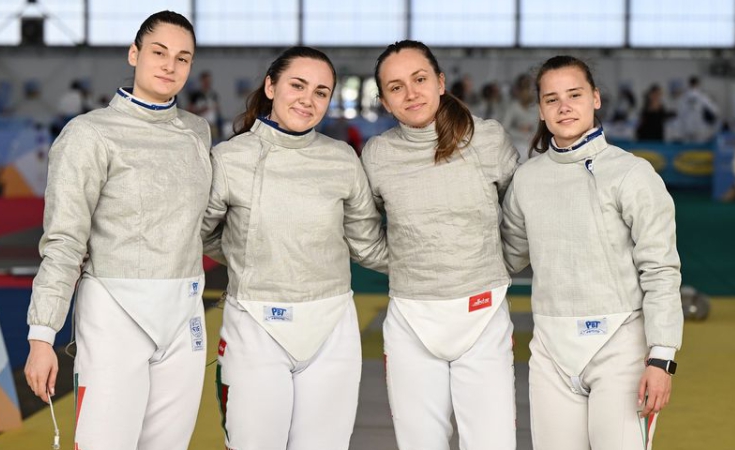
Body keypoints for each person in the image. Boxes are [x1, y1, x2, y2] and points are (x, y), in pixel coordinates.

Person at [23, 11, 211, 450]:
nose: (170, 65)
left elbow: (203, 222)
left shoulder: (196, 132)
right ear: (134, 54)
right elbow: (64, 241)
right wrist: (42, 335)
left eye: (182, 58)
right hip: (114, 316)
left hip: (184, 314)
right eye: (159, 52)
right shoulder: (89, 134)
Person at [201, 46, 388, 450]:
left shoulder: (341, 159)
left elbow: (368, 245)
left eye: (321, 92)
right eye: (298, 85)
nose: (308, 99)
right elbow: (200, 233)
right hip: (255, 326)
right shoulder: (229, 159)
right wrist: (249, 256)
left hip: (332, 328)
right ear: (271, 86)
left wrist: (442, 259)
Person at [501, 55, 683, 450]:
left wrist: (661, 358)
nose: (564, 106)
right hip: (550, 350)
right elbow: (505, 258)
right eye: (552, 99)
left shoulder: (631, 174)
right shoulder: (527, 179)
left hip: (621, 347)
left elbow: (661, 269)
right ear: (540, 110)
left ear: (595, 98)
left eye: (575, 95)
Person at [361, 40, 519, 450]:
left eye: (420, 79)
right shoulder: (377, 155)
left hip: (483, 314)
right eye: (396, 87)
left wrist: (494, 263)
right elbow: (361, 232)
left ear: (440, 82)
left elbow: (521, 214)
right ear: (384, 101)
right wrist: (408, 265)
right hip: (411, 319)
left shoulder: (487, 139)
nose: (411, 93)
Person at [188, 70, 222, 143]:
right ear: (201, 81)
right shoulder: (195, 95)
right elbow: (189, 109)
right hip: (200, 125)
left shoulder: (213, 94)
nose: (208, 83)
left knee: (214, 143)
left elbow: (217, 108)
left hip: (212, 124)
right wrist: (200, 110)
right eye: (206, 81)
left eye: (209, 81)